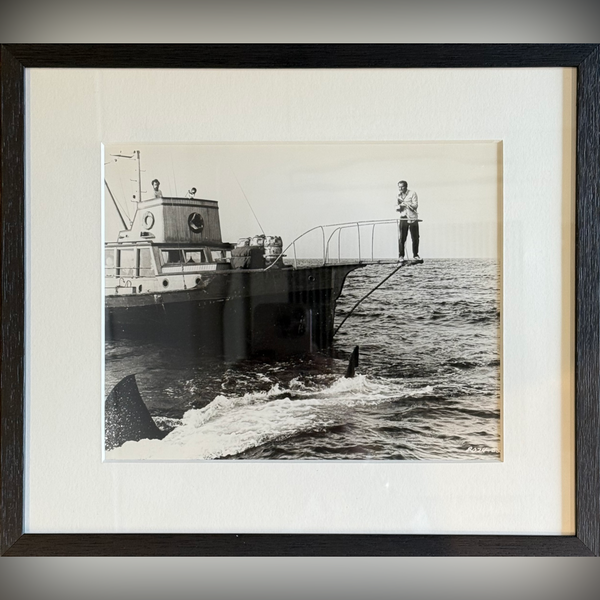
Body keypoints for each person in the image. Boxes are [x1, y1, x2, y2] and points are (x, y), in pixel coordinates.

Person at [396, 180, 420, 260]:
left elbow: (415, 205)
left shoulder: (412, 193)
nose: (400, 188)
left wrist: (407, 204)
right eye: (399, 187)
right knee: (402, 238)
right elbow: (396, 207)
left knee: (415, 237)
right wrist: (400, 207)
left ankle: (415, 255)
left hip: (413, 217)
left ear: (406, 187)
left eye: (402, 187)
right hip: (403, 217)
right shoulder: (397, 195)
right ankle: (401, 256)